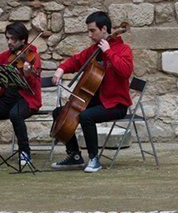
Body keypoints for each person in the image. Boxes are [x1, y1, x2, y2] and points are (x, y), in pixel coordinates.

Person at [50, 11, 133, 173]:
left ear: (104, 29)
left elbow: (126, 71)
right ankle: (74, 155)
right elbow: (76, 61)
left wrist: (109, 51)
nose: (89, 35)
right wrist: (61, 69)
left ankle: (94, 159)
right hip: (98, 100)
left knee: (86, 116)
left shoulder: (123, 49)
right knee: (60, 112)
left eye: (92, 30)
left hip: (116, 103)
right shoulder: (94, 50)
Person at [0, 22, 42, 168]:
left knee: (15, 114)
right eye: (8, 38)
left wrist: (28, 73)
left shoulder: (33, 56)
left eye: (13, 39)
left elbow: (34, 84)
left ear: (23, 40)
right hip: (7, 99)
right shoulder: (5, 56)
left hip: (27, 100)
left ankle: (25, 152)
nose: (9, 42)